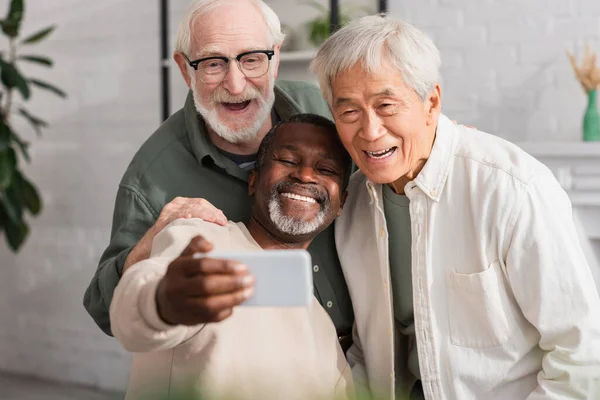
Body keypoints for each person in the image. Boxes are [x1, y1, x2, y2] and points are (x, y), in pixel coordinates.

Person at [309, 14, 600, 400]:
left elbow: (582, 356)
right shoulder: (352, 203)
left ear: (431, 103)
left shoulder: (512, 190)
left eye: (386, 105)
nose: (370, 130)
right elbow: (372, 348)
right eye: (348, 112)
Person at [83, 0, 354, 346]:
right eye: (213, 63)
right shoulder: (151, 177)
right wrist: (151, 242)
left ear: (275, 57)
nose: (236, 84)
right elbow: (105, 311)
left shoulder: (327, 112)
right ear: (185, 70)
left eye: (251, 59)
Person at [109, 115, 354, 400]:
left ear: (341, 204)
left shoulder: (321, 325)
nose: (305, 175)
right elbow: (132, 308)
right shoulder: (202, 239)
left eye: (325, 169)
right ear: (253, 180)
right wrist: (162, 302)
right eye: (288, 160)